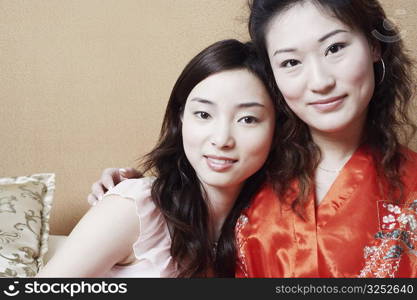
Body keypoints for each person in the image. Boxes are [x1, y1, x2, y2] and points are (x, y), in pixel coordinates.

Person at [93, 0, 417, 278]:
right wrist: (134, 195)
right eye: (291, 62)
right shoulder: (249, 168)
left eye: (335, 48)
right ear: (273, 74)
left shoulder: (412, 182)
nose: (319, 82)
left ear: (375, 45)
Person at [37, 39, 278, 277]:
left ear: (278, 128)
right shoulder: (136, 209)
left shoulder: (272, 227)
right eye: (203, 114)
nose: (222, 139)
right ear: (181, 118)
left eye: (248, 119)